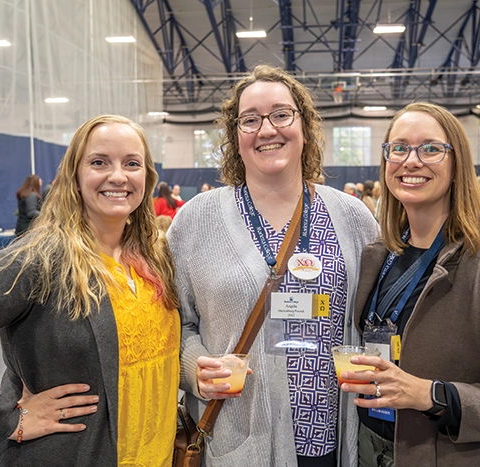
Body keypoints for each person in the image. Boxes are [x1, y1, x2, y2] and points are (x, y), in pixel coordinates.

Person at [0, 115, 180, 466]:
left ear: (147, 178)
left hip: (152, 453)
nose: (118, 175)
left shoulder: (153, 256)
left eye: (132, 163)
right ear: (74, 177)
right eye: (99, 162)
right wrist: (4, 420)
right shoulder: (40, 256)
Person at [167, 64, 379, 466]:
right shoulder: (195, 222)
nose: (267, 130)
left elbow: (374, 319)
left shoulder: (354, 218)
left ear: (304, 125)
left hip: (334, 440)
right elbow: (174, 324)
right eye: (250, 120)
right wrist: (195, 368)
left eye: (281, 114)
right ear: (235, 136)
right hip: (239, 441)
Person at [341, 103, 480, 466]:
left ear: (457, 166)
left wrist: (430, 394)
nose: (411, 161)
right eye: (399, 148)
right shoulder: (378, 255)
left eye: (431, 148)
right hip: (370, 448)